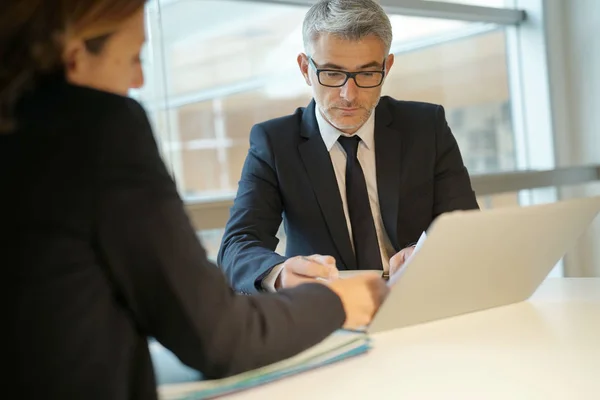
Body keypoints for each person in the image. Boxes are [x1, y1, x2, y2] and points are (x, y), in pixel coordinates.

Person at [0, 1, 388, 399]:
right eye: (134, 57)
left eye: (367, 73)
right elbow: (219, 333)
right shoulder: (96, 128)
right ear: (74, 56)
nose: (138, 79)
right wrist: (330, 301)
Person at [218, 0, 479, 294]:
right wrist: (280, 274)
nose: (348, 95)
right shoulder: (275, 142)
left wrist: (426, 251)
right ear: (306, 69)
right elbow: (237, 246)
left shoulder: (425, 126)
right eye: (331, 73)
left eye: (367, 74)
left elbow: (465, 225)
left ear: (387, 67)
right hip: (327, 308)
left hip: (418, 295)